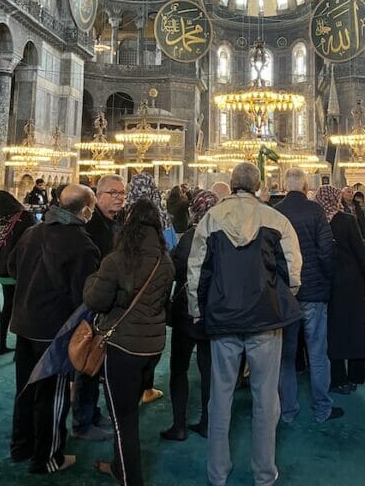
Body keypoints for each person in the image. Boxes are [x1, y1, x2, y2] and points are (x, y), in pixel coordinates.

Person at [188, 161, 302, 486]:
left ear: (232, 183)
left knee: (220, 396)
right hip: (265, 318)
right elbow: (293, 273)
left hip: (223, 317)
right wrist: (278, 295)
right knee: (266, 398)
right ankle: (264, 474)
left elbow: (197, 271)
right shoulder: (276, 219)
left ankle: (217, 473)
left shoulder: (211, 219)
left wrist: (198, 309)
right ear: (257, 185)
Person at [9, 184, 100, 473]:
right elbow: (84, 296)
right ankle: (48, 457)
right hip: (54, 331)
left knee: (25, 389)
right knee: (52, 396)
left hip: (23, 323)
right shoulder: (82, 244)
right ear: (85, 211)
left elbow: (12, 268)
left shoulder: (32, 232)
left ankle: (21, 447)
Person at [84, 198, 175, 485]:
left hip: (123, 347)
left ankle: (128, 478)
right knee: (129, 409)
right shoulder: (166, 260)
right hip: (154, 347)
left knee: (123, 420)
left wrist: (92, 281)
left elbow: (95, 300)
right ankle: (119, 466)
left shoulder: (116, 259)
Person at [276, 168, 341, 423]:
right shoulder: (315, 211)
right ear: (305, 187)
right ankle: (322, 408)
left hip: (286, 294)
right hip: (314, 292)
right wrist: (326, 279)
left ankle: (288, 411)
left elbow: (271, 254)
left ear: (284, 185)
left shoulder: (276, 212)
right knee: (317, 353)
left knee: (286, 357)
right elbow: (327, 250)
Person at [161, 189, 219, 441]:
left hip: (186, 311)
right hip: (212, 311)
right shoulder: (222, 235)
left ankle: (179, 425)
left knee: (179, 369)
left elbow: (173, 270)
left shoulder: (190, 237)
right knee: (209, 371)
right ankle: (207, 423)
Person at [72, 174, 126, 441]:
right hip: (91, 302)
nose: (119, 198)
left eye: (122, 194)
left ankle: (92, 412)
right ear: (98, 195)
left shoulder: (113, 224)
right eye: (113, 193)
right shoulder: (91, 226)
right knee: (86, 362)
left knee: (97, 362)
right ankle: (81, 422)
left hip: (106, 303)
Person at [315, 185, 365, 393]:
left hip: (328, 281)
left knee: (334, 330)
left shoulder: (318, 221)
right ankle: (356, 375)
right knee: (356, 326)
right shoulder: (347, 220)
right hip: (352, 281)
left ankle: (338, 377)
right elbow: (360, 252)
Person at [125, 172, 172, 403]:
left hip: (125, 294)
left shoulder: (123, 215)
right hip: (153, 290)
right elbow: (170, 248)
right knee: (149, 339)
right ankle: (146, 388)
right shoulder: (160, 214)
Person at [0, 190, 35, 356]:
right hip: (21, 269)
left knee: (8, 306)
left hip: (2, 270)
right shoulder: (23, 218)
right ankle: (20, 351)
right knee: (21, 308)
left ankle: (1, 345)